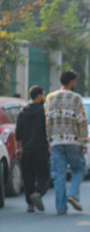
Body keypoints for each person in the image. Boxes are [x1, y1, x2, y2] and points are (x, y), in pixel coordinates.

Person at [46, 70, 89, 214]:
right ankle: (73, 195)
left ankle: (60, 208)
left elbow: (47, 122)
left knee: (59, 175)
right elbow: (81, 121)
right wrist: (84, 142)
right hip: (73, 141)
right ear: (71, 82)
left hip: (56, 141)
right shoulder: (76, 98)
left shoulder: (50, 98)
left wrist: (49, 141)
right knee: (78, 170)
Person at [15, 85, 50, 213]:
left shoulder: (22, 112)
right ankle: (38, 192)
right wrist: (49, 145)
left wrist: (18, 149)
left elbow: (18, 133)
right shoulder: (43, 112)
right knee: (44, 175)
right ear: (40, 96)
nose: (44, 97)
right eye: (44, 95)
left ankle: (30, 204)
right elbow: (47, 131)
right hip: (40, 149)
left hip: (26, 149)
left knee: (28, 176)